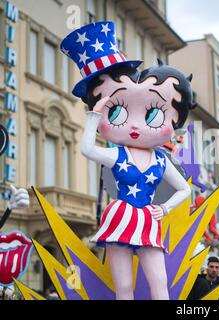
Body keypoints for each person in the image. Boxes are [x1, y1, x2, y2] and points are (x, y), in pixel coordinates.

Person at [61, 21, 194, 300]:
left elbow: (185, 189)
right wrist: (95, 117)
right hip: (121, 216)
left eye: (152, 115)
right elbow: (87, 149)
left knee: (160, 283)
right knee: (123, 287)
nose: (134, 126)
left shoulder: (160, 160)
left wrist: (165, 209)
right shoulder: (118, 154)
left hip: (146, 218)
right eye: (120, 113)